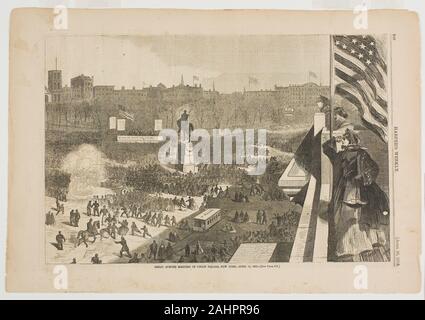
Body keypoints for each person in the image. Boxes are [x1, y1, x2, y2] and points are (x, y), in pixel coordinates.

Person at [324, 129, 390, 262]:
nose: (344, 141)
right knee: (351, 216)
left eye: (346, 139)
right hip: (348, 188)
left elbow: (373, 169)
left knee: (358, 216)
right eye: (343, 139)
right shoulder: (344, 154)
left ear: (351, 140)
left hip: (358, 188)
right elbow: (327, 149)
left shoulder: (358, 153)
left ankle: (361, 245)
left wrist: (363, 178)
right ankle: (352, 246)